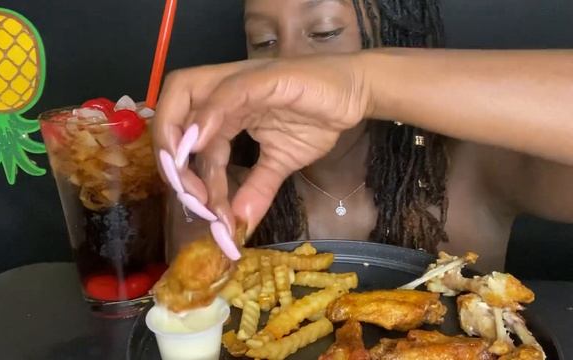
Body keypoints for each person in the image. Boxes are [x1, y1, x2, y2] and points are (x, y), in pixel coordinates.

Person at [155, 0, 573, 272]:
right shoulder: (224, 188)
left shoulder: (479, 165)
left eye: (323, 33)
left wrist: (363, 83)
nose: (287, 66)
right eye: (263, 41)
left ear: (394, 39)